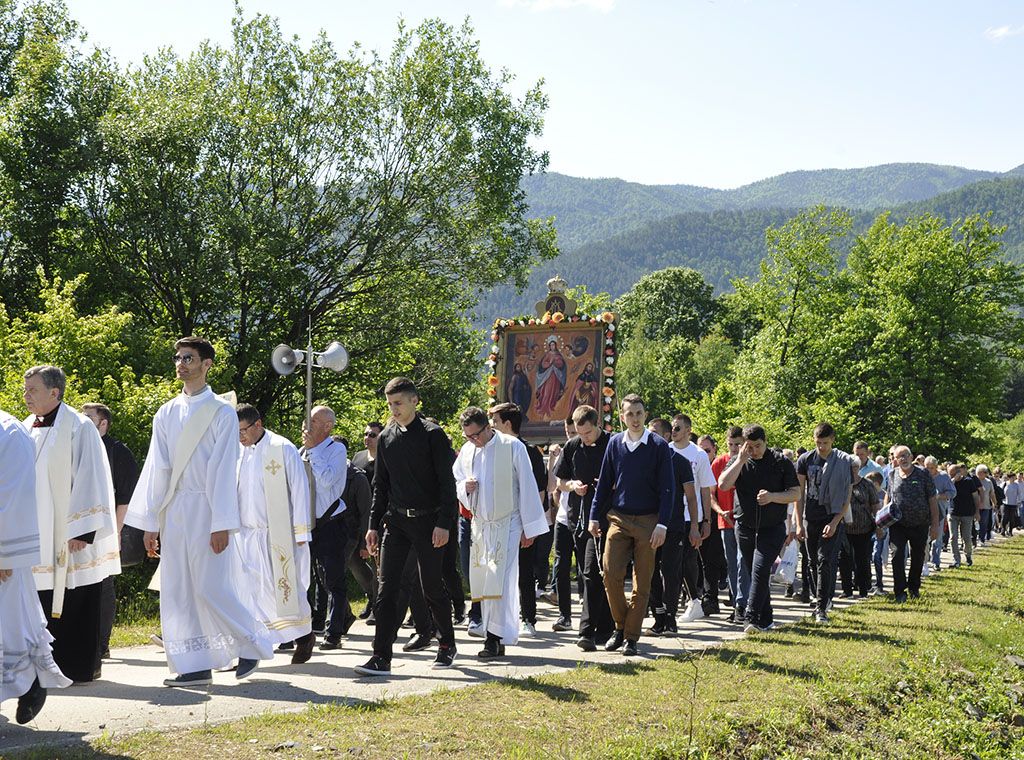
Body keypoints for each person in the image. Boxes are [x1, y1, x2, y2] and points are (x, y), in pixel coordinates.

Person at [125, 337, 273, 686]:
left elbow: (224, 469)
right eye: (177, 357)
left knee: (210, 587)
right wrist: (150, 522)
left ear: (206, 364)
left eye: (188, 358)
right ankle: (194, 665)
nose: (181, 363)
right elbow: (157, 467)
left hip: (208, 508)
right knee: (178, 589)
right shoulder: (166, 411)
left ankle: (252, 643)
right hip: (174, 508)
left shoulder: (221, 411)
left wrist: (222, 522)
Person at [22, 365, 120, 683]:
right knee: (37, 599)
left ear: (54, 392)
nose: (26, 396)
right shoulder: (24, 427)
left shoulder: (79, 427)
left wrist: (82, 528)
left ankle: (77, 666)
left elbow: (92, 475)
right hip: (34, 532)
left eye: (32, 390)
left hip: (68, 532)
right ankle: (40, 667)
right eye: (25, 390)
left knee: (74, 597)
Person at [356, 378, 458, 676]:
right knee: (387, 589)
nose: (394, 410)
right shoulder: (386, 437)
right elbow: (380, 486)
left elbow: (446, 484)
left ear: (414, 401)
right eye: (390, 404)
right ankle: (381, 656)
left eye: (398, 403)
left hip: (430, 522)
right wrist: (373, 525)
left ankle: (446, 643)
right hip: (396, 523)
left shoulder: (433, 435)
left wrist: (444, 524)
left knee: (431, 587)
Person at [453, 407, 548, 659]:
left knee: (500, 581)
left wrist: (530, 528)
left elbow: (527, 485)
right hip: (481, 525)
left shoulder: (512, 446)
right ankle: (492, 633)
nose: (473, 440)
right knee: (483, 580)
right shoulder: (468, 450)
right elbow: (457, 478)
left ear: (487, 427)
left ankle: (494, 639)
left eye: (475, 435)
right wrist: (465, 487)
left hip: (509, 523)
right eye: (467, 436)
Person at [0, 408, 72, 725]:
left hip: (4, 556)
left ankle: (30, 682)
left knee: (10, 626)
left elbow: (14, 497)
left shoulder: (9, 433)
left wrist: (5, 553)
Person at [589, 394, 674, 657]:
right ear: (622, 417)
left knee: (642, 582)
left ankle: (631, 637)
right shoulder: (615, 443)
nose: (635, 419)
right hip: (619, 518)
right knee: (610, 574)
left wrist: (663, 524)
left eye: (639, 413)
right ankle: (620, 625)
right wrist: (594, 515)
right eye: (629, 414)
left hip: (649, 521)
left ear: (645, 414)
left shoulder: (658, 446)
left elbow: (668, 489)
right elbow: (604, 483)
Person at [235, 404, 315, 664]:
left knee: (285, 591)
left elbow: (299, 489)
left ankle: (304, 637)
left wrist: (301, 531)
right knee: (249, 593)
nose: (240, 437)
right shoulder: (238, 452)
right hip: (246, 535)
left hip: (277, 535)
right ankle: (254, 646)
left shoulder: (282, 448)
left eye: (243, 431)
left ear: (257, 424)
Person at [718, 424, 801, 633]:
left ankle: (751, 618)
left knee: (760, 569)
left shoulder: (780, 461)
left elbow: (795, 493)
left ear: (765, 442)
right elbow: (723, 485)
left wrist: (773, 497)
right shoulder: (739, 461)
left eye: (758, 446)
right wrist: (740, 460)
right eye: (750, 446)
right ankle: (767, 618)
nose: (754, 451)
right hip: (745, 527)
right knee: (755, 572)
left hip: (772, 528)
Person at [81, 402, 140, 660]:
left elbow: (126, 498)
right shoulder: (80, 449)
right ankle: (82, 642)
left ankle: (101, 645)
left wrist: (115, 534)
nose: (83, 423)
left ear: (103, 424)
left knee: (104, 586)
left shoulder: (119, 452)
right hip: (82, 530)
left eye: (88, 419)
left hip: (108, 531)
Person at [555, 405, 614, 651]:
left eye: (588, 432)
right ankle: (602, 628)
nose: (585, 438)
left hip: (608, 519)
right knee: (589, 573)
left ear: (597, 424)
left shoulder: (613, 444)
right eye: (580, 433)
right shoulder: (572, 447)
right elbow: (560, 481)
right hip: (579, 519)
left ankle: (589, 630)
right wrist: (572, 485)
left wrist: (609, 485)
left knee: (597, 572)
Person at [487, 402, 547, 638]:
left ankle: (528, 618)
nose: (492, 426)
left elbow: (537, 492)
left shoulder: (529, 451)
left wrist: (528, 526)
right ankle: (496, 622)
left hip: (521, 523)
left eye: (495, 422)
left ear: (507, 424)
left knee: (524, 572)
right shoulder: (492, 449)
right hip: (497, 524)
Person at [794, 422, 859, 624]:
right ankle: (822, 597)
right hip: (811, 518)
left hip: (832, 516)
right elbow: (799, 494)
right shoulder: (805, 460)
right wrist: (798, 523)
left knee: (825, 560)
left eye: (825, 442)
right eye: (818, 442)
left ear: (832, 440)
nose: (821, 446)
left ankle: (821, 608)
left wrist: (835, 520)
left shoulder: (843, 461)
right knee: (813, 562)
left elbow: (847, 495)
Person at [300, 406, 350, 650]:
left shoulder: (335, 450)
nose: (306, 425)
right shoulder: (301, 451)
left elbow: (327, 479)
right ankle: (302, 631)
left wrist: (312, 452)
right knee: (304, 579)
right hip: (307, 525)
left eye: (313, 421)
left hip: (330, 523)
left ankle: (334, 633)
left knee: (333, 581)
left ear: (327, 426)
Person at [645, 418, 698, 636]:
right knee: (649, 572)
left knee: (671, 571)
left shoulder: (681, 462)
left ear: (666, 436)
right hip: (647, 526)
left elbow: (692, 498)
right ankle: (658, 615)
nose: (650, 436)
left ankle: (670, 618)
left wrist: (695, 525)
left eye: (655, 433)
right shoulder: (645, 459)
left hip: (674, 526)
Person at [668, 415, 718, 621]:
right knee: (671, 563)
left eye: (678, 428)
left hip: (691, 516)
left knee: (687, 560)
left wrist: (706, 521)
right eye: (672, 427)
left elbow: (705, 490)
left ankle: (694, 601)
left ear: (688, 430)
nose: (674, 431)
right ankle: (672, 603)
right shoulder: (666, 451)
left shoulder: (699, 455)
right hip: (669, 515)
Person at [884, 446, 940, 602]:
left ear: (911, 456)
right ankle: (899, 592)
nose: (903, 459)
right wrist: (881, 521)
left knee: (917, 557)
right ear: (894, 459)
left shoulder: (923, 474)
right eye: (899, 456)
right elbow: (888, 497)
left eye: (906, 455)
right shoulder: (892, 474)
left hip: (920, 524)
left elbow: (932, 501)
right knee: (897, 556)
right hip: (897, 524)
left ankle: (914, 588)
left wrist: (935, 525)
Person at [712, 427, 749, 624]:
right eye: (731, 444)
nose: (734, 448)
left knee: (744, 562)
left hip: (744, 521)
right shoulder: (719, 462)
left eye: (738, 444)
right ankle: (736, 603)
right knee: (732, 564)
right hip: (725, 521)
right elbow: (710, 493)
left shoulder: (748, 461)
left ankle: (744, 603)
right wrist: (720, 511)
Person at [838, 471, 881, 597]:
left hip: (864, 529)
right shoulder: (842, 483)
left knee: (862, 560)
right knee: (844, 559)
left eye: (855, 467)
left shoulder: (867, 484)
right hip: (844, 528)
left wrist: (879, 526)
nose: (852, 470)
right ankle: (847, 590)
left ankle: (863, 590)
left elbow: (876, 506)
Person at [948, 464, 981, 569]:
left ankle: (968, 555)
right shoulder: (950, 482)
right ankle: (956, 560)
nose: (951, 476)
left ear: (959, 472)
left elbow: (975, 497)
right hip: (953, 513)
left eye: (953, 474)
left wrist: (977, 512)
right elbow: (948, 490)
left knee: (966, 537)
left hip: (967, 513)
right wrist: (953, 480)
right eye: (950, 474)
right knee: (953, 537)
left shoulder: (968, 481)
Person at [925, 456, 955, 570]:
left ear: (936, 467)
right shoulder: (923, 476)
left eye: (931, 468)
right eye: (927, 468)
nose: (929, 470)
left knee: (937, 538)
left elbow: (952, 492)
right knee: (924, 539)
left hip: (939, 512)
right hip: (924, 512)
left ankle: (936, 561)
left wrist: (940, 496)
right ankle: (924, 562)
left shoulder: (943, 477)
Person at [534, 338, 567, 417]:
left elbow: (561, 364)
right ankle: (543, 407)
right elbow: (543, 364)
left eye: (554, 345)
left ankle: (550, 406)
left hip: (555, 376)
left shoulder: (558, 355)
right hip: (547, 376)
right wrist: (549, 363)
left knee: (553, 392)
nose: (552, 346)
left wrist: (555, 362)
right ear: (549, 346)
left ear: (555, 346)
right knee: (546, 392)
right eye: (551, 345)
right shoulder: (547, 354)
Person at [351, 422, 382, 488]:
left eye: (372, 435)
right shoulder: (358, 456)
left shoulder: (386, 460)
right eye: (365, 434)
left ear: (381, 437)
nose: (367, 438)